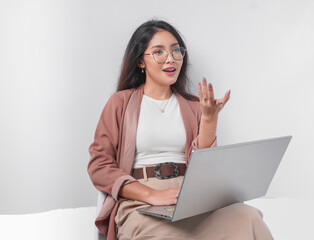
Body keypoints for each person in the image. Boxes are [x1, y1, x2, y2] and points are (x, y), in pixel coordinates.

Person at [88, 20, 274, 240]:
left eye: (176, 50)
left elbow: (205, 166)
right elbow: (99, 166)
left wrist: (209, 120)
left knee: (248, 217)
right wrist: (151, 194)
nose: (171, 58)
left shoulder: (194, 106)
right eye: (159, 52)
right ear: (140, 61)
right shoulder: (120, 103)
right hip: (139, 198)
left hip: (189, 197)